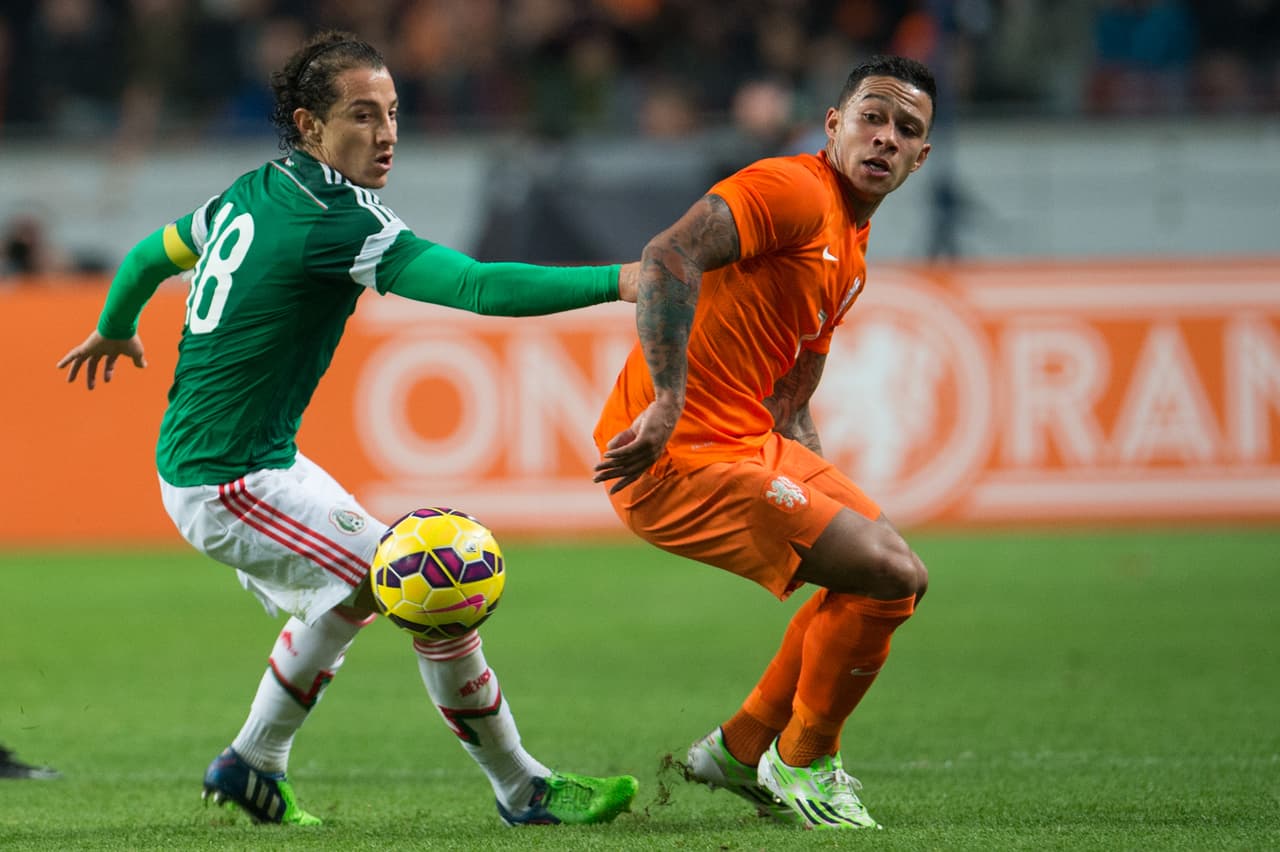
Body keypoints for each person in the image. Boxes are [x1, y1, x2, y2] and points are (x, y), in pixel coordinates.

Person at [57, 30, 639, 828]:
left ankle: (251, 763)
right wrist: (622, 279)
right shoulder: (336, 221)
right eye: (362, 116)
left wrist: (117, 324)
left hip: (255, 463)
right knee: (436, 578)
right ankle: (522, 788)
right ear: (308, 126)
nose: (387, 132)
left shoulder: (251, 190)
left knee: (365, 588)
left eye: (393, 113)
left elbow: (148, 255)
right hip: (226, 480)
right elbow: (475, 286)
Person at [592, 55, 934, 830]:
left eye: (905, 130)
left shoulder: (850, 249)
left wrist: (821, 492)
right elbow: (667, 256)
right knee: (885, 571)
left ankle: (743, 747)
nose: (884, 138)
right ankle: (804, 760)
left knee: (893, 575)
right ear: (833, 125)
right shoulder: (791, 189)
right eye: (871, 117)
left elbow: (790, 399)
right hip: (676, 460)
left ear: (922, 156)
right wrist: (669, 400)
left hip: (747, 441)